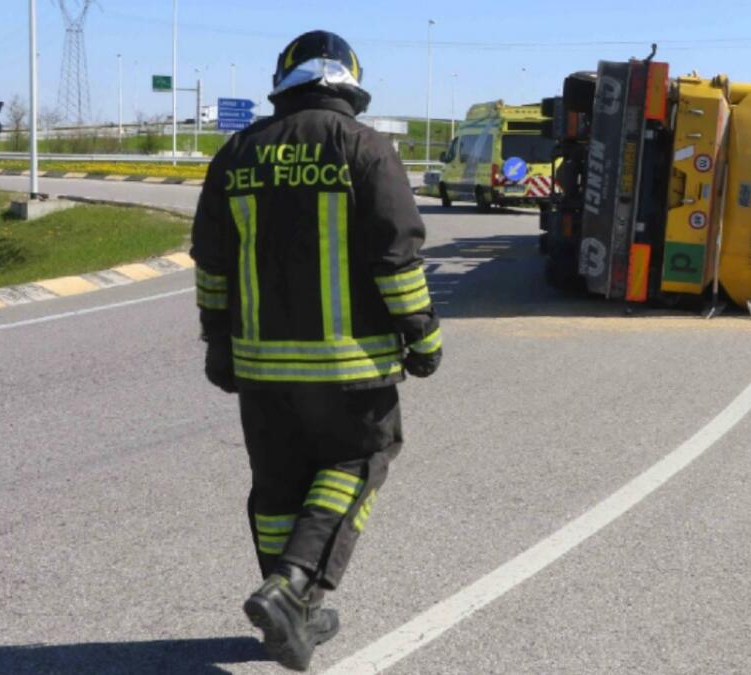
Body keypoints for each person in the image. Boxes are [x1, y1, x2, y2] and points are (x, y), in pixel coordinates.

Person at [190, 30, 441, 671]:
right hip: (348, 366)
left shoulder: (237, 153)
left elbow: (212, 265)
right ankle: (293, 586)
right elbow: (396, 255)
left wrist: (219, 344)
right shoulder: (365, 147)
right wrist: (424, 335)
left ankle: (290, 618)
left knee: (277, 486)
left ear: (285, 82)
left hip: (259, 368)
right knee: (357, 464)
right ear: (349, 82)